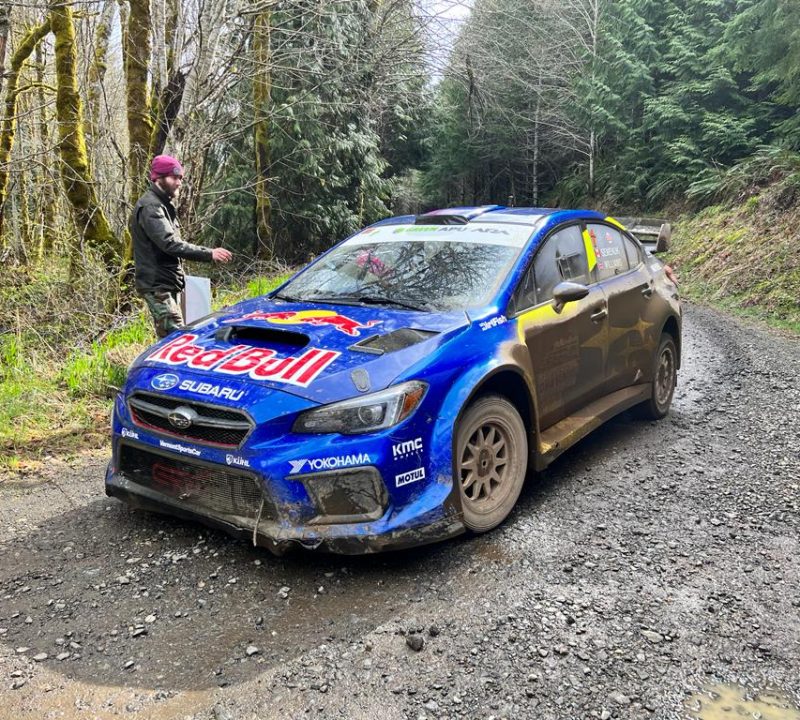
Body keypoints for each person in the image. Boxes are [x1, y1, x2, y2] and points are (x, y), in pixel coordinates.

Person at [131, 154, 232, 338]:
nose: (179, 183)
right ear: (159, 178)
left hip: (167, 283)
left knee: (170, 338)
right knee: (177, 339)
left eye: (180, 178)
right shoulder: (151, 207)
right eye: (174, 178)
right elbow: (170, 244)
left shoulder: (162, 205)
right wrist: (209, 254)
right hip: (158, 286)